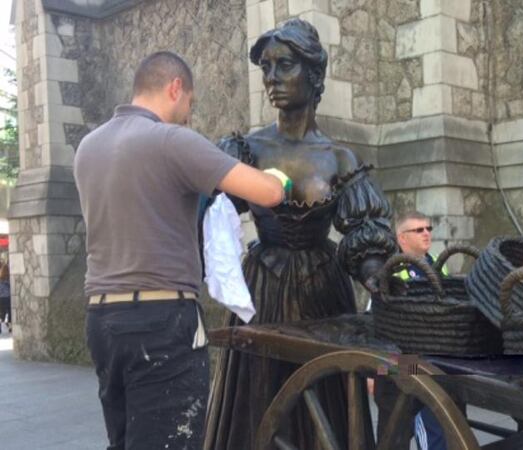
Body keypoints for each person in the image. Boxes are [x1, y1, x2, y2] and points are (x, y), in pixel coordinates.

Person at [74, 51, 288, 450]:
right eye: (190, 102)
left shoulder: (88, 147)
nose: (189, 114)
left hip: (102, 320)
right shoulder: (172, 141)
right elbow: (269, 192)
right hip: (161, 321)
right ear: (175, 88)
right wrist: (284, 180)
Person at [203, 19, 396, 450]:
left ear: (313, 74)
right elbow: (212, 214)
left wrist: (377, 275)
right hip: (264, 289)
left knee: (326, 393)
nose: (272, 78)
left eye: (284, 65)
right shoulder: (246, 150)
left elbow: (365, 231)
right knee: (257, 396)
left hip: (321, 291)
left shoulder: (339, 158)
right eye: (266, 68)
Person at [393, 211, 448, 450]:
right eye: (419, 230)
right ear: (402, 238)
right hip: (409, 360)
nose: (426, 233)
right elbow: (377, 320)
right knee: (429, 425)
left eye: (428, 228)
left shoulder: (437, 266)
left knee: (446, 422)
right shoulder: (393, 271)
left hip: (437, 354)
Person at [0, 259, 10, 334]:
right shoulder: (9, 279)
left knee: (2, 313)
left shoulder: (0, 279)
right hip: (8, 297)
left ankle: (2, 325)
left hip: (1, 298)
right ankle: (9, 326)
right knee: (9, 312)